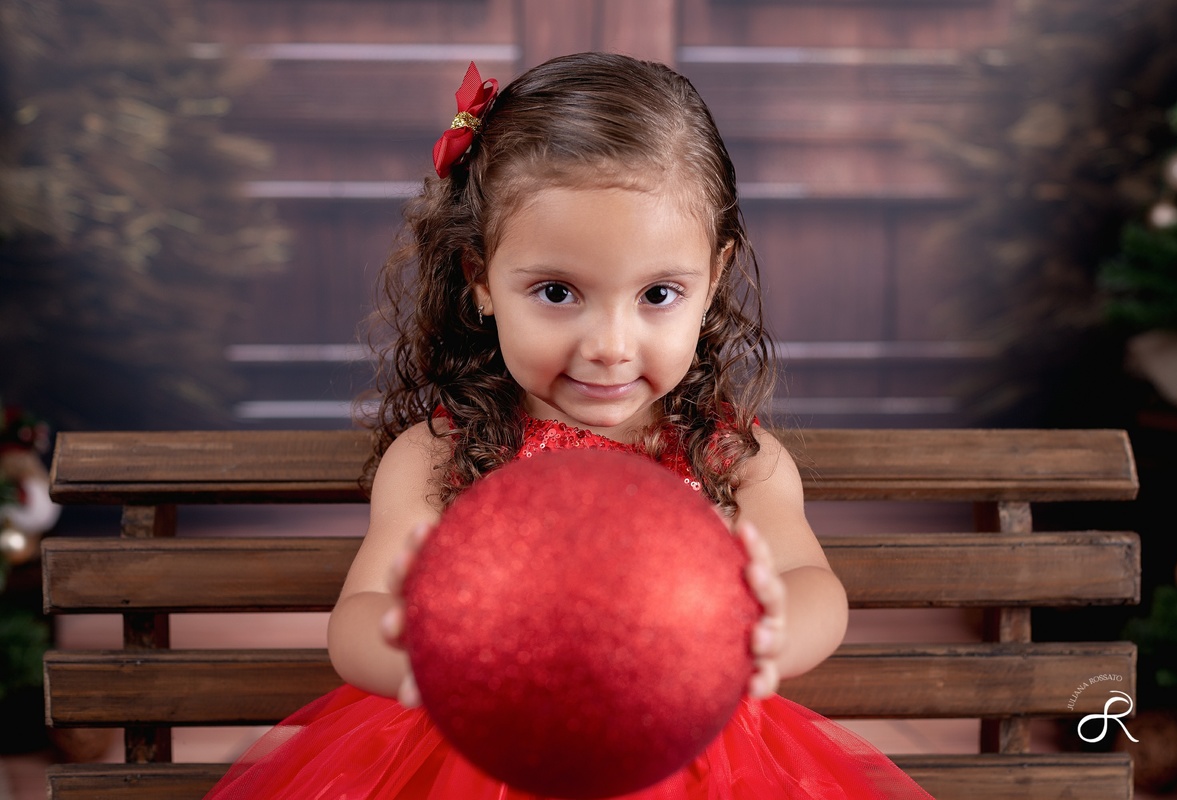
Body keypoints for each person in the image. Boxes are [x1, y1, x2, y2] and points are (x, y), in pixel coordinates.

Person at [206, 52, 935, 799]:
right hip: (480, 750)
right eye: (558, 292)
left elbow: (812, 584)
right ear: (480, 277)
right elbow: (355, 619)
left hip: (687, 752)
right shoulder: (440, 455)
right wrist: (421, 658)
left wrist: (768, 636)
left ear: (711, 281)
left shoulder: (731, 458)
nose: (610, 345)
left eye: (658, 293)